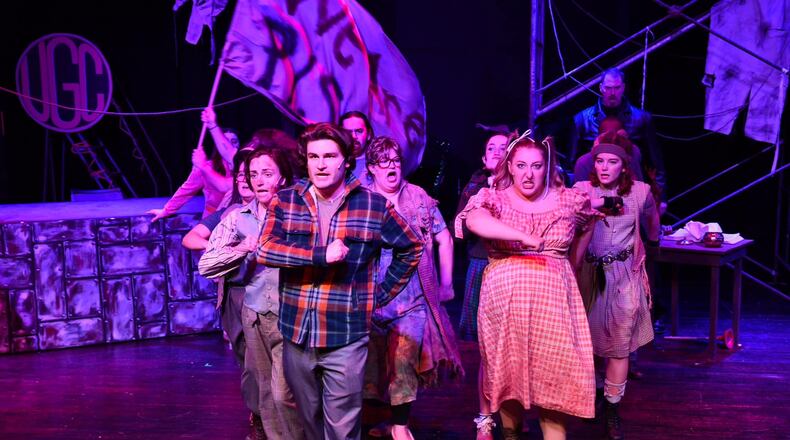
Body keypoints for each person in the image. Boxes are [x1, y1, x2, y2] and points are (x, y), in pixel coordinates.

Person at [256, 122, 423, 440]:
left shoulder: (372, 205)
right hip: (297, 332)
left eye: (330, 156)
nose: (320, 164)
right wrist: (320, 254)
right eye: (314, 156)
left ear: (347, 160)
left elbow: (411, 246)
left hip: (345, 334)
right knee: (310, 422)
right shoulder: (287, 200)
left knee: (343, 428)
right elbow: (265, 249)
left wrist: (379, 293)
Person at [455, 132, 597, 440]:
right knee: (508, 379)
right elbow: (474, 222)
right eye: (520, 165)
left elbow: (589, 220)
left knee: (554, 377)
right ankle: (509, 432)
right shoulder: (494, 198)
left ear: (547, 167)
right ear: (509, 166)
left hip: (554, 306)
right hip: (506, 307)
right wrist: (523, 237)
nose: (528, 174)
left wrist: (573, 261)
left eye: (536, 166)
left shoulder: (568, 200)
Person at [199, 144, 304, 440]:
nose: (258, 180)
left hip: (291, 313)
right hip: (254, 313)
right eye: (253, 174)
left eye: (266, 173)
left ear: (282, 177)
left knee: (286, 393)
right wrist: (242, 248)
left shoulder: (298, 213)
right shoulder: (236, 218)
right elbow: (207, 264)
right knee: (266, 393)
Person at [363, 136, 464, 440]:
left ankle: (400, 425)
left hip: (412, 298)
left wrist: (446, 284)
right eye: (384, 161)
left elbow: (444, 238)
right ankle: (377, 419)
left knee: (404, 361)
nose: (391, 166)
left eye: (395, 160)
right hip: (370, 298)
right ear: (371, 168)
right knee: (371, 368)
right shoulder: (361, 199)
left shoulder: (418, 197)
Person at [573, 132, 660, 440]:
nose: (605, 167)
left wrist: (650, 241)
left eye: (612, 162)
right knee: (590, 342)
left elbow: (652, 226)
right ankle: (596, 392)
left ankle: (612, 408)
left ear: (624, 166)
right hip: (589, 273)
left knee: (619, 343)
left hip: (624, 274)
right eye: (599, 161)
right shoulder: (582, 190)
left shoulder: (640, 191)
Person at [569, 68, 665, 194]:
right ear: (601, 88)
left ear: (623, 88)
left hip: (631, 187)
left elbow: (655, 161)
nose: (612, 92)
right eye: (608, 88)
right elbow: (570, 164)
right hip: (593, 188)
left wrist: (661, 196)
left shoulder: (641, 119)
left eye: (617, 87)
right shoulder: (582, 119)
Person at [456, 129, 509, 341]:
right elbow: (459, 228)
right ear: (484, 158)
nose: (496, 152)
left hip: (508, 261)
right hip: (480, 260)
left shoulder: (520, 189)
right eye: (491, 148)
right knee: (473, 325)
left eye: (503, 148)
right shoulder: (474, 186)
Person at [147, 108, 241, 221]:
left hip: (239, 217)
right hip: (214, 219)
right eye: (224, 141)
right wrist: (166, 210)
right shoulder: (207, 166)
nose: (228, 145)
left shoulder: (246, 165)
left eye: (234, 141)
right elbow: (187, 190)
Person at [340, 111, 375, 186]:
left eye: (359, 131)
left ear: (369, 134)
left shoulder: (378, 163)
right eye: (348, 132)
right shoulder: (334, 163)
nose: (354, 136)